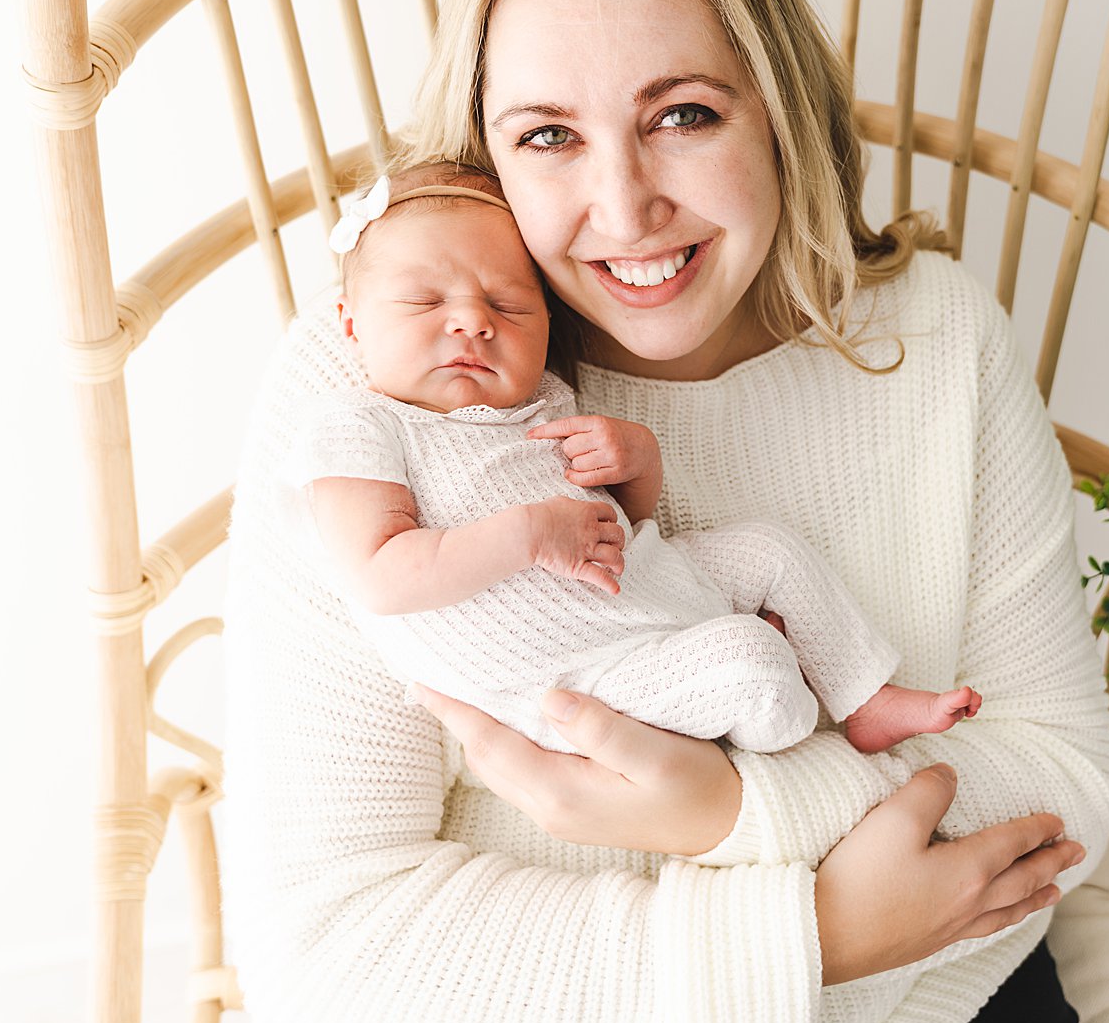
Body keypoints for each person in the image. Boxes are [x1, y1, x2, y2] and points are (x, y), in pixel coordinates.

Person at [224, 0, 1109, 1023]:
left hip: (930, 1006)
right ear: (481, 149)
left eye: (680, 115)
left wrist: (732, 815)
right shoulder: (374, 388)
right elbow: (328, 955)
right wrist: (819, 936)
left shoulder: (936, 337)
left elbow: (1061, 766)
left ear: (778, 104)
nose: (624, 207)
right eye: (545, 137)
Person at [286, 162, 983, 756]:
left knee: (771, 553)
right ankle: (778, 711)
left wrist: (638, 465)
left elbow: (616, 525)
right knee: (754, 663)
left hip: (649, 581)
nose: (472, 321)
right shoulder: (360, 423)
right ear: (352, 321)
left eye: (508, 303)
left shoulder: (544, 400)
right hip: (577, 676)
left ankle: (866, 699)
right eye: (424, 301)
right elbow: (380, 576)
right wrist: (531, 534)